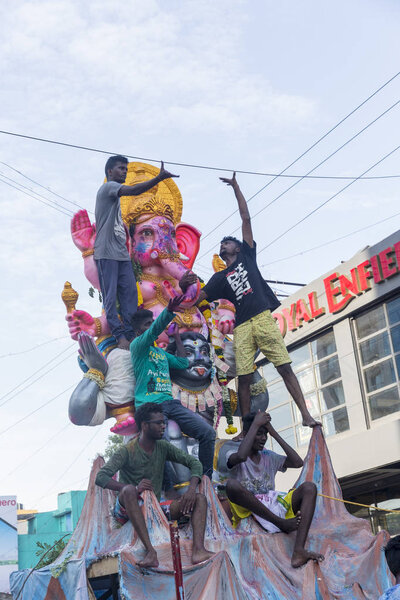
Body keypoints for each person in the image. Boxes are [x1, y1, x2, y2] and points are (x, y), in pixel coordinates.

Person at [188, 172, 317, 428]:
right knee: (244, 378)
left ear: (237, 248)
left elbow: (245, 218)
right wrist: (183, 289)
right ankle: (246, 430)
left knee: (284, 366)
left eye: (227, 242)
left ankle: (305, 414)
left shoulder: (247, 256)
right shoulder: (219, 277)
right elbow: (196, 299)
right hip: (242, 328)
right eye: (222, 243)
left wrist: (236, 187)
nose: (223, 245)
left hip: (262, 317)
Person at [95, 402, 214, 568]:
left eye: (163, 422)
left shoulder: (163, 446)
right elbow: (101, 477)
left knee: (200, 499)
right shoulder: (127, 450)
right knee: (129, 490)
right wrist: (134, 489)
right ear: (144, 425)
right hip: (127, 509)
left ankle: (198, 550)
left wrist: (191, 490)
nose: (163, 426)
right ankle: (151, 552)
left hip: (155, 508)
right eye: (158, 423)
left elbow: (194, 464)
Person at [94, 155, 178, 350]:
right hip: (106, 253)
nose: (124, 172)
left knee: (130, 295)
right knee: (110, 296)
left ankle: (132, 335)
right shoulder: (108, 187)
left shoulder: (115, 197)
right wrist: (158, 179)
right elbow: (133, 190)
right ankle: (119, 336)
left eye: (126, 168)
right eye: (121, 168)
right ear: (109, 172)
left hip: (122, 255)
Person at [130, 294, 216, 479]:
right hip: (149, 406)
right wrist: (168, 312)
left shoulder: (161, 354)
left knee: (207, 433)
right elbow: (153, 332)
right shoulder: (137, 346)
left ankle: (206, 480)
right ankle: (168, 489)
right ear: (138, 331)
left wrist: (176, 337)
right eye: (147, 324)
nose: (151, 327)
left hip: (170, 403)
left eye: (151, 323)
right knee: (163, 444)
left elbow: (184, 363)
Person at [224, 411, 324, 568]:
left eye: (265, 434)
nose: (263, 438)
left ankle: (299, 550)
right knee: (231, 485)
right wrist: (256, 423)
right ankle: (281, 523)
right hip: (248, 506)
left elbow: (297, 462)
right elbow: (241, 456)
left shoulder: (268, 456)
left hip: (272, 502)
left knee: (309, 488)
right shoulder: (232, 453)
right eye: (259, 434)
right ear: (248, 434)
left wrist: (273, 432)